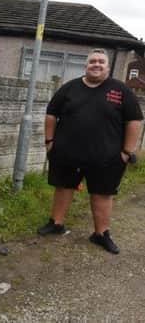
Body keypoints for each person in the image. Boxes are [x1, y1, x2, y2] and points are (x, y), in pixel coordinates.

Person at [37, 48, 143, 254]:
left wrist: (126, 152)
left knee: (102, 194)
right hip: (67, 154)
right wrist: (49, 141)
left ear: (108, 67)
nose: (96, 64)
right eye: (92, 61)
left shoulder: (121, 91)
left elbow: (134, 121)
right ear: (86, 66)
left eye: (100, 62)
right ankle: (56, 223)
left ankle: (101, 234)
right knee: (63, 187)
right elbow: (51, 114)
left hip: (107, 157)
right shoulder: (69, 88)